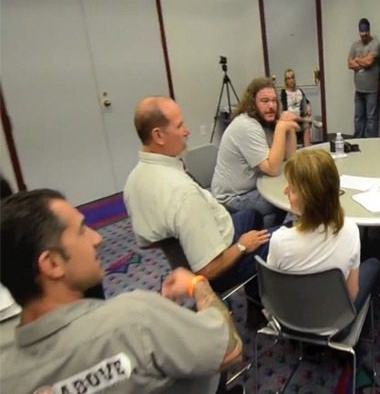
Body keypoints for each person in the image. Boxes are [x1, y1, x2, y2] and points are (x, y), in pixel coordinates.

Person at [0, 189, 243, 393]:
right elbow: (229, 349)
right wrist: (196, 285)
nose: (97, 239)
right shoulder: (135, 319)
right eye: (82, 230)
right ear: (52, 264)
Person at [124, 96, 270, 304]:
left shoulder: (133, 181)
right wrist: (242, 246)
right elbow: (208, 270)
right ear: (158, 136)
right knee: (287, 236)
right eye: (179, 126)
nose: (187, 131)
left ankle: (255, 302)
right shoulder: (182, 193)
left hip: (204, 243)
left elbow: (148, 241)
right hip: (217, 268)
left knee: (252, 216)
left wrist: (180, 245)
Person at [267, 149, 380, 314]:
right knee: (374, 264)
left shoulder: (280, 241)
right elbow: (352, 294)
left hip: (292, 318)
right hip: (337, 320)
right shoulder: (350, 230)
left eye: (292, 189)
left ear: (309, 198)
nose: (285, 192)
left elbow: (274, 293)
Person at [212, 77, 299, 227]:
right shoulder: (247, 126)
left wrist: (289, 128)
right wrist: (281, 128)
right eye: (265, 101)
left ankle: (276, 228)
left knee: (292, 190)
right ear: (252, 103)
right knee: (289, 195)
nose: (271, 106)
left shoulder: (266, 120)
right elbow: (273, 169)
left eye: (274, 101)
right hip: (233, 197)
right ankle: (274, 235)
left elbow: (289, 159)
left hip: (255, 185)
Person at [348, 18, 380, 138]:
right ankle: (358, 140)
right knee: (358, 117)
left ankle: (370, 142)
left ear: (369, 31)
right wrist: (363, 61)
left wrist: (357, 59)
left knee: (371, 118)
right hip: (359, 90)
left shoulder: (375, 44)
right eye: (362, 34)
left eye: (366, 33)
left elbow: (369, 62)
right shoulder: (355, 45)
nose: (364, 36)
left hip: (372, 89)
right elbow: (349, 64)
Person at [280, 68, 313, 147]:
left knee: (306, 125)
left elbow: (307, 102)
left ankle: (307, 148)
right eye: (288, 78)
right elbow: (284, 110)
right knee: (295, 123)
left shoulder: (299, 91)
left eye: (292, 77)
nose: (291, 80)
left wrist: (308, 106)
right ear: (286, 81)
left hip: (300, 118)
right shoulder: (284, 92)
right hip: (290, 118)